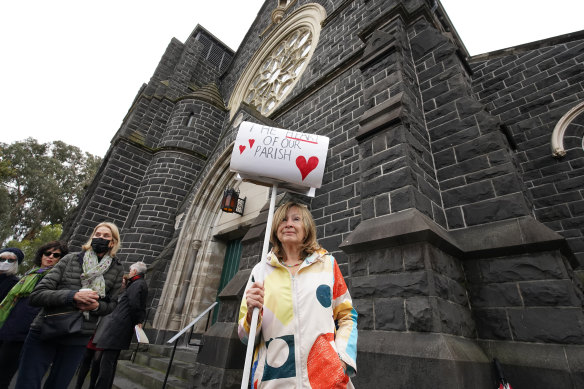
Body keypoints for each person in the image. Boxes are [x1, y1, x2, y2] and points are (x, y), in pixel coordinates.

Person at [238, 201, 358, 388]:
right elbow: (245, 337)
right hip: (273, 381)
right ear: (276, 228)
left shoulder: (328, 264)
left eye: (296, 219)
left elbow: (347, 316)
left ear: (307, 228)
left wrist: (341, 359)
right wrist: (252, 313)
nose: (289, 224)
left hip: (326, 380)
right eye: (283, 220)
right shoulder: (260, 271)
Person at [14, 222, 124, 389]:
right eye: (97, 234)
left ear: (113, 242)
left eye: (105, 236)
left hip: (78, 335)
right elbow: (37, 295)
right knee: (28, 383)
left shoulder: (116, 269)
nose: (100, 238)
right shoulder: (71, 259)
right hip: (47, 328)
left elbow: (111, 305)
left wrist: (95, 307)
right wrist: (72, 296)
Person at [0, 241, 68, 389]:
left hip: (25, 331)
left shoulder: (57, 278)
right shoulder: (31, 274)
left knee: (7, 374)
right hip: (9, 325)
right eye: (47, 253)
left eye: (56, 255)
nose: (50, 257)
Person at [92, 261, 148, 389]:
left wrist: (138, 320)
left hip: (119, 326)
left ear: (134, 271)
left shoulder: (137, 284)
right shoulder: (137, 283)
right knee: (109, 360)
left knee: (107, 361)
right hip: (121, 324)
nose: (129, 272)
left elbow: (135, 304)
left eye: (130, 269)